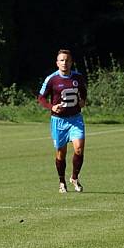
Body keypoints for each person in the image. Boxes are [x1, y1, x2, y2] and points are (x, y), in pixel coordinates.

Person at [37, 49, 88, 193]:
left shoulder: (77, 77)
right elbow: (41, 98)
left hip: (75, 119)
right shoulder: (52, 79)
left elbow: (83, 91)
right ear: (57, 63)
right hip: (58, 121)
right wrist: (51, 107)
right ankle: (61, 181)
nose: (64, 63)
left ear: (71, 62)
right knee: (61, 153)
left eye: (67, 60)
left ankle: (75, 178)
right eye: (62, 60)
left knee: (79, 148)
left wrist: (83, 100)